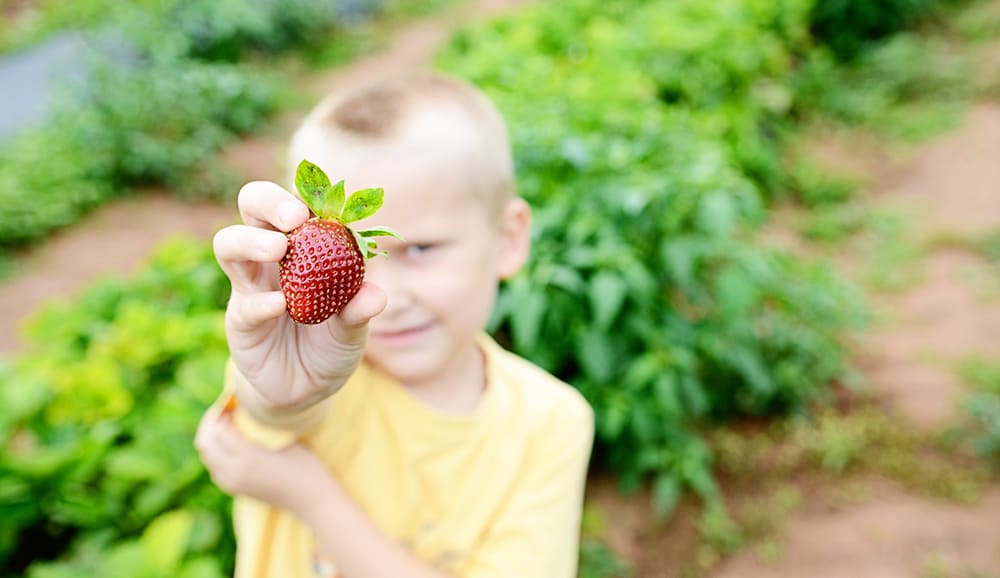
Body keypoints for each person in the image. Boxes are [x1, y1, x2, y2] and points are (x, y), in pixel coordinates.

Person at [194, 70, 595, 578]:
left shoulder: (549, 422)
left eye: (421, 249)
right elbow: (273, 407)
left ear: (508, 238)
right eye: (359, 252)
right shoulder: (320, 374)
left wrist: (309, 495)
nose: (383, 298)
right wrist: (282, 392)